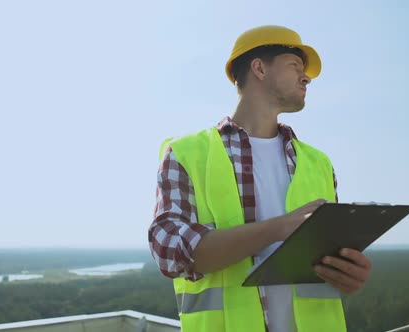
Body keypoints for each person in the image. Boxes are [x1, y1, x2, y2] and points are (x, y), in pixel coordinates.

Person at [148, 25, 372, 332]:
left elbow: (326, 262)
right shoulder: (187, 153)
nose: (306, 77)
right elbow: (169, 251)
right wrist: (278, 228)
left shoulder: (318, 164)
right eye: (295, 65)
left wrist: (348, 272)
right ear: (259, 68)